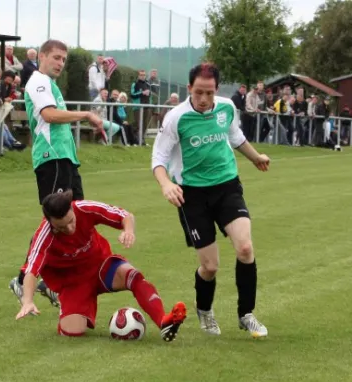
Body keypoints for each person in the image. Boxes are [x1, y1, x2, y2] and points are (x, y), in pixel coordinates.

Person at [151, 62, 270, 338]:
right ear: (189, 88)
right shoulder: (176, 118)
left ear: (217, 90)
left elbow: (235, 137)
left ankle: (246, 314)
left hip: (227, 186)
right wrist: (166, 183)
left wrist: (256, 158)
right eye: (199, 93)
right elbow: (159, 158)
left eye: (210, 93)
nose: (204, 99)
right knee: (210, 266)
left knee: (245, 248)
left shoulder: (227, 108)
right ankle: (204, 310)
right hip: (191, 194)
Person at [15, 191, 187, 341]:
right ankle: (58, 297)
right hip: (74, 284)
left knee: (132, 276)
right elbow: (32, 271)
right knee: (73, 332)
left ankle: (163, 321)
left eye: (71, 221)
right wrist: (28, 301)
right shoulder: (44, 236)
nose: (69, 228)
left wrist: (128, 231)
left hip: (100, 266)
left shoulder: (84, 208)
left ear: (72, 210)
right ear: (50, 222)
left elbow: (124, 215)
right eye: (62, 227)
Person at [8, 39, 103, 306]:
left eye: (63, 59)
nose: (60, 63)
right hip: (52, 159)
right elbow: (49, 115)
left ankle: (52, 282)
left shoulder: (49, 85)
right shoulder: (38, 81)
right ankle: (24, 278)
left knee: (76, 219)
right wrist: (85, 114)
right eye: (56, 57)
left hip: (65, 159)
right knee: (56, 220)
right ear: (42, 56)